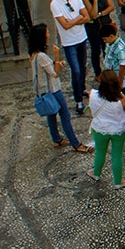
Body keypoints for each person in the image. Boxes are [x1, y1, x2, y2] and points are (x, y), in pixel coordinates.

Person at [28, 23, 88, 153]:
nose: (49, 35)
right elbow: (55, 74)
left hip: (45, 91)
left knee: (52, 114)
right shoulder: (42, 56)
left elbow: (45, 69)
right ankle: (76, 144)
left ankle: (56, 139)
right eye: (47, 33)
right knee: (65, 115)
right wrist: (56, 56)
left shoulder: (33, 54)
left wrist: (56, 63)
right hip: (53, 90)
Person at [85, 70, 125, 189]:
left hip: (99, 129)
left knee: (100, 152)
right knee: (117, 155)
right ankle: (118, 181)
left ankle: (96, 173)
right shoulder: (121, 98)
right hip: (118, 130)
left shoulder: (92, 94)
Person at [50, 0, 90, 114]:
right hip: (69, 42)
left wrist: (75, 19)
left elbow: (87, 17)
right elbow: (65, 25)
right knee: (76, 70)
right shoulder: (55, 4)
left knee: (83, 66)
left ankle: (82, 87)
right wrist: (78, 18)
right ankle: (78, 99)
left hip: (81, 38)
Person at [82, 0, 114, 78]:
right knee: (96, 50)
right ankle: (98, 73)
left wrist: (101, 13)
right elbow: (93, 15)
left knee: (108, 49)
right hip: (94, 28)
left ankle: (109, 70)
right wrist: (95, 0)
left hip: (105, 25)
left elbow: (111, 6)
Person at [100, 23, 125, 106]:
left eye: (105, 39)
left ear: (111, 36)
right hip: (112, 76)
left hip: (119, 78)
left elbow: (123, 66)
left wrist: (120, 82)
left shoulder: (120, 49)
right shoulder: (110, 43)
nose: (104, 41)